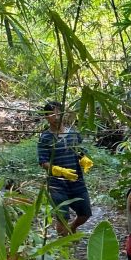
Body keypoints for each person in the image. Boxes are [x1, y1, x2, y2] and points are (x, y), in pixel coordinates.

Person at [37, 100, 92, 235]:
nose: (55, 117)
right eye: (51, 114)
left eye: (58, 113)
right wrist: (58, 170)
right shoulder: (45, 138)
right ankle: (63, 243)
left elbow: (79, 151)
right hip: (57, 184)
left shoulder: (73, 133)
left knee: (85, 214)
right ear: (46, 117)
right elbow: (43, 161)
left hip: (76, 181)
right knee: (62, 217)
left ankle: (72, 228)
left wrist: (84, 159)